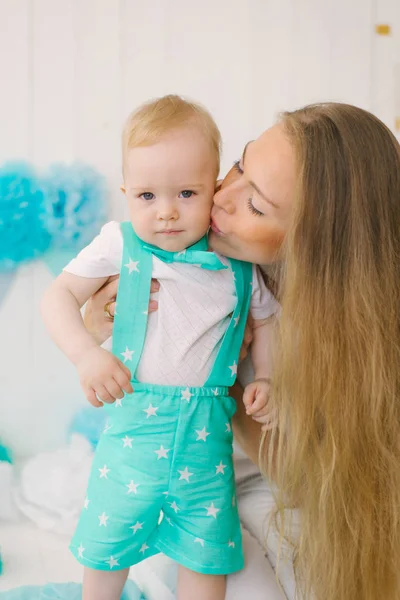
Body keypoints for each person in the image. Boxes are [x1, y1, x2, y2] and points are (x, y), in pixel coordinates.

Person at [86, 102, 400, 600]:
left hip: (294, 491)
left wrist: (233, 375)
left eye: (256, 206)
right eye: (238, 166)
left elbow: (308, 477)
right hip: (207, 477)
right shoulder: (190, 253)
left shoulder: (317, 324)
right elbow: (101, 316)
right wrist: (103, 318)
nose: (220, 197)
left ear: (316, 246)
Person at [40, 95, 280, 600]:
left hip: (207, 442)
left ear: (213, 189)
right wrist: (86, 353)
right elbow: (58, 295)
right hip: (133, 438)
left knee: (207, 553)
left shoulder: (237, 265)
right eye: (147, 196)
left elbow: (267, 320)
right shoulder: (119, 244)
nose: (167, 213)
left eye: (187, 193)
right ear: (127, 193)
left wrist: (266, 377)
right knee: (106, 551)